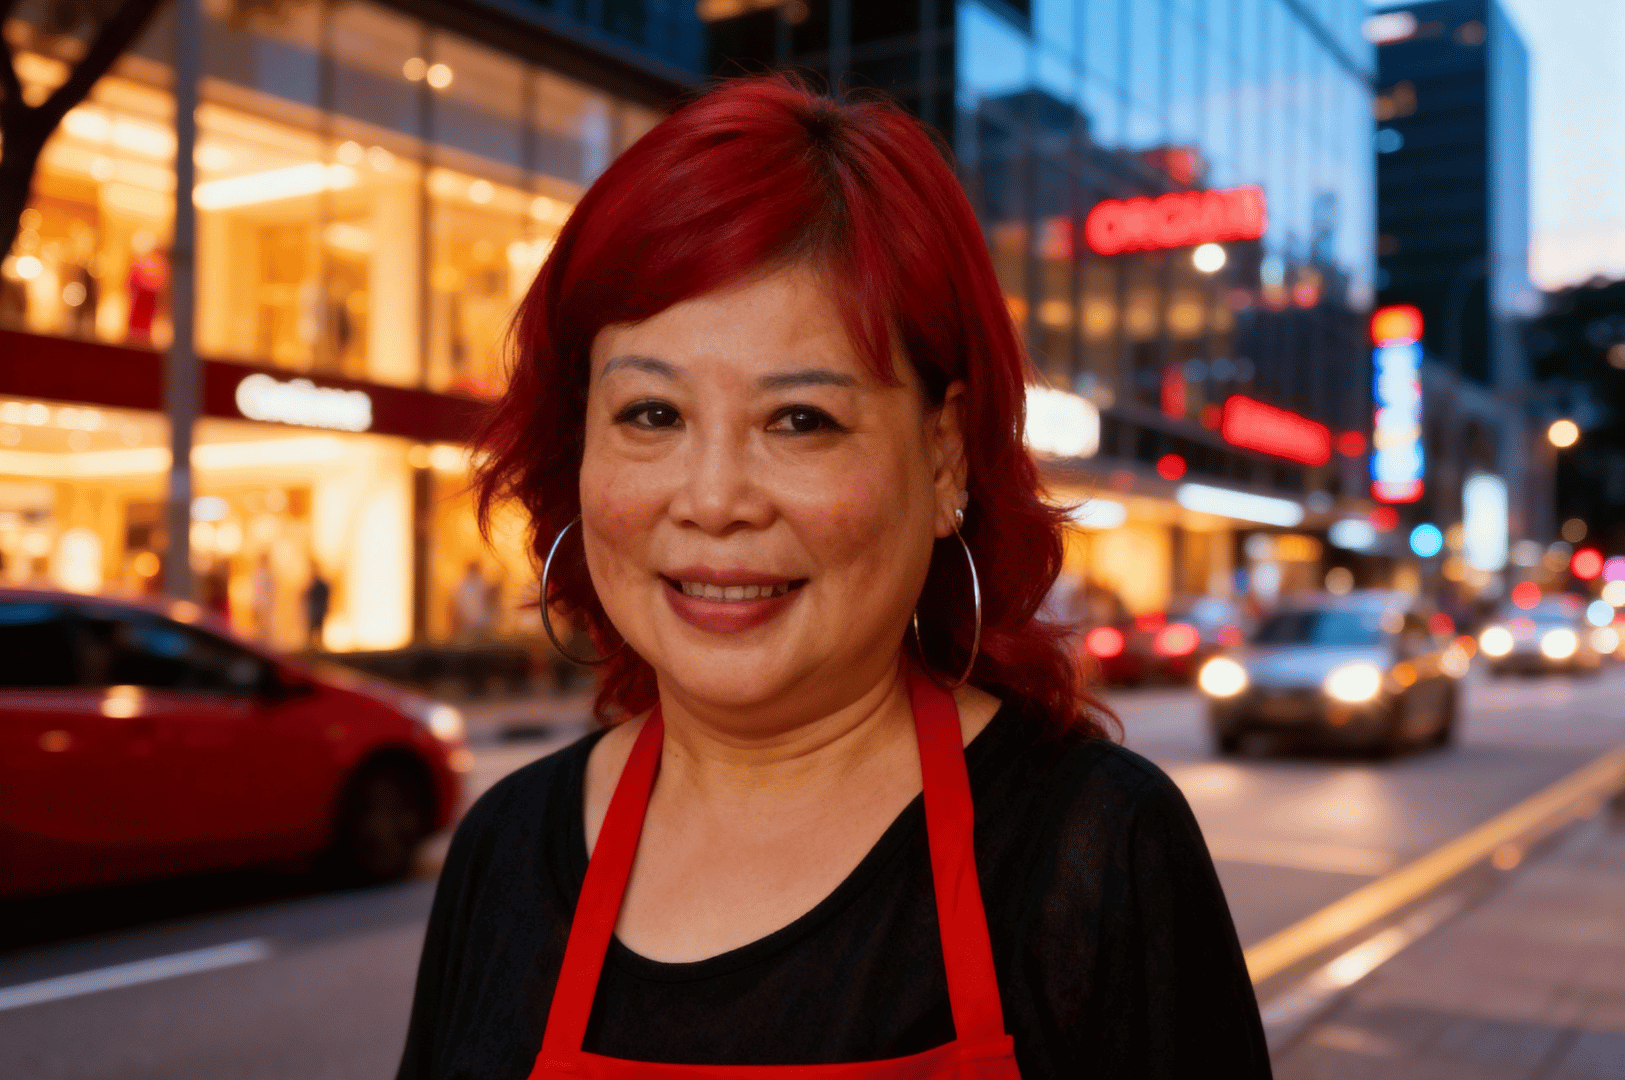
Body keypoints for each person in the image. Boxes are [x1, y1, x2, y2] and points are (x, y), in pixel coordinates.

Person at [398, 76, 1269, 1079]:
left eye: (799, 420)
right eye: (650, 415)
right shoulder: (503, 849)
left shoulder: (1095, 851)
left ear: (941, 455)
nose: (714, 498)